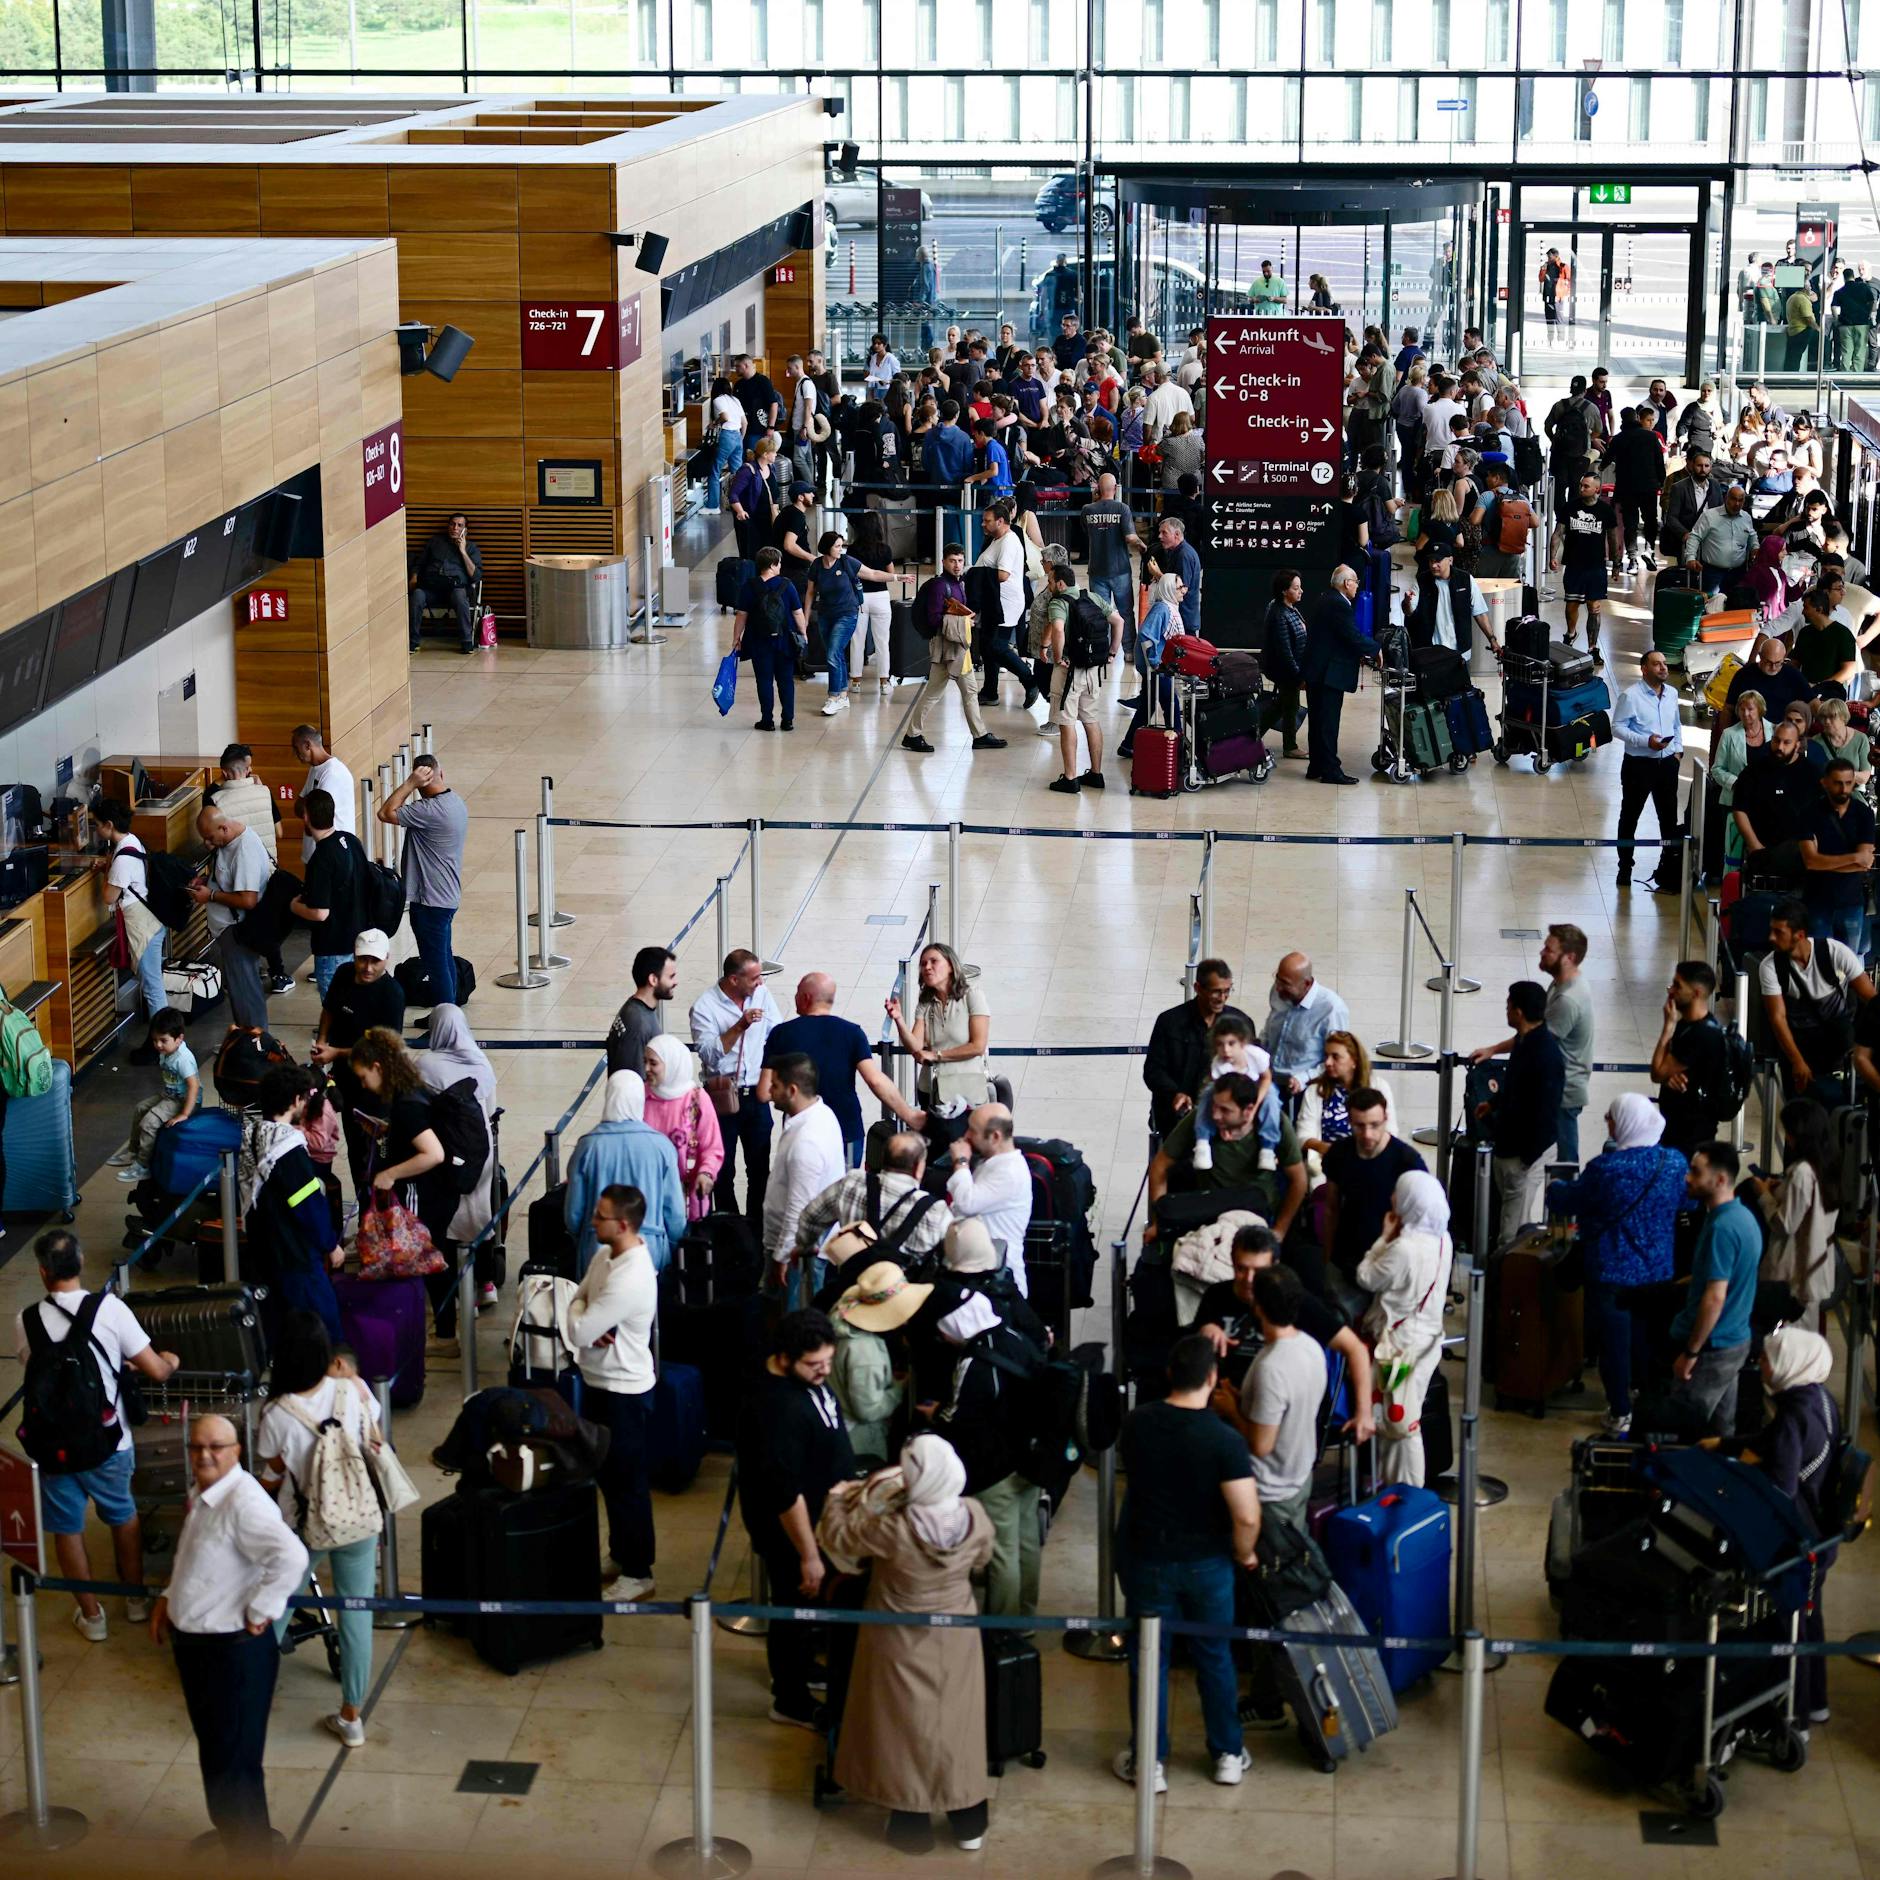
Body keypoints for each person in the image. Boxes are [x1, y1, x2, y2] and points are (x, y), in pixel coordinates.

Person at [816, 1434, 995, 1854]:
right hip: (956, 1633)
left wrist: (838, 1499)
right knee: (958, 1724)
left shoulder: (893, 1529)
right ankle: (969, 1819)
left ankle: (910, 1821)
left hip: (897, 1636)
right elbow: (984, 1559)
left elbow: (839, 1538)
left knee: (904, 1728)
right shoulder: (975, 1514)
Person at [153, 1409, 307, 1856]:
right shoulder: (207, 1492)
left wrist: (263, 1609)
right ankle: (236, 1839)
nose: (204, 1455)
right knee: (218, 1753)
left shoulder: (244, 1502)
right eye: (197, 1447)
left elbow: (292, 1558)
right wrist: (169, 1597)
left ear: (237, 1451)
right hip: (199, 1647)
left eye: (215, 1447)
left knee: (234, 1764)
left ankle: (250, 1855)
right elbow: (193, 1557)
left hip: (232, 1653)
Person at [1112, 1332, 1260, 1793]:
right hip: (1208, 1563)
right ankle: (1228, 1755)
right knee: (1214, 1656)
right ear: (1213, 1378)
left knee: (1148, 1658)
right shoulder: (1224, 1440)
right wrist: (1245, 1552)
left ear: (1170, 1374)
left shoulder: (1137, 1423)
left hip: (1147, 1558)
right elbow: (1246, 1512)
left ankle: (1151, 1762)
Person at [15, 1229, 179, 1640]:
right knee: (122, 1517)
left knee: (66, 1528)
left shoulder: (26, 1320)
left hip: (54, 1445)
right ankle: (135, 1600)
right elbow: (156, 1370)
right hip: (109, 1441)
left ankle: (92, 1617)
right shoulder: (110, 1310)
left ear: (41, 1271)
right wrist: (168, 1361)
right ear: (82, 1262)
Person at [255, 1309, 382, 1745]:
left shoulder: (276, 1413)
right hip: (360, 1519)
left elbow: (272, 1475)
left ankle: (246, 1698)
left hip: (304, 1526)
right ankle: (351, 1716)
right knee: (356, 1613)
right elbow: (374, 1434)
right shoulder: (353, 1389)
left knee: (276, 1605)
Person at [736, 1308, 855, 1731]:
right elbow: (784, 1493)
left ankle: (802, 1665)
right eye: (814, 1365)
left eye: (829, 1361)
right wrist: (808, 1554)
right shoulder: (775, 1408)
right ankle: (789, 1698)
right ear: (785, 1359)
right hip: (789, 1529)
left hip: (819, 1514)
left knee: (807, 1606)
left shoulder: (803, 1378)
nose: (824, 1371)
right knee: (793, 1606)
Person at [1546, 1095, 1686, 1434]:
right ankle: (1643, 1396)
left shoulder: (1606, 1169)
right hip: (1657, 1272)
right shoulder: (1674, 1163)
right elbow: (1689, 1202)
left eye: (1611, 1116)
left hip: (1611, 1272)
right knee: (1645, 1339)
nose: (1607, 1121)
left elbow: (1569, 1199)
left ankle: (1620, 1411)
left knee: (1614, 1344)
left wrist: (1555, 1187)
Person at [1732, 1324, 1843, 1726]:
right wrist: (1729, 1446)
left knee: (1790, 1625)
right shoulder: (1820, 1399)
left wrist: (1743, 1473)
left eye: (1767, 1357)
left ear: (1788, 1364)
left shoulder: (1794, 1417)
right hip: (1821, 1533)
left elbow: (1779, 1488)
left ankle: (1792, 1717)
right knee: (1810, 1620)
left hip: (1800, 1544)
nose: (1760, 1364)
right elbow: (1771, 1442)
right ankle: (1815, 1702)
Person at [1193, 1223, 1375, 1437]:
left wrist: (1364, 1413)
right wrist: (1204, 1332)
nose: (1249, 1280)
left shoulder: (1294, 1299)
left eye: (1259, 1272)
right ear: (1232, 1263)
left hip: (1278, 1413)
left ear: (1275, 1267)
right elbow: (1189, 1356)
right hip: (1221, 1404)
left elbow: (1355, 1349)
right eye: (1241, 1269)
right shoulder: (1216, 1296)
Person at [568, 1183, 659, 1602]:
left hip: (624, 1391)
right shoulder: (605, 1255)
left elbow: (578, 1329)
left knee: (628, 1484)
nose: (592, 1221)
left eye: (600, 1216)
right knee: (607, 1477)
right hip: (598, 1383)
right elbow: (576, 1299)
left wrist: (583, 1314)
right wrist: (582, 1310)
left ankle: (639, 1571)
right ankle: (621, 1555)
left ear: (622, 1224)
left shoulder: (632, 1276)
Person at [348, 1027, 459, 1345]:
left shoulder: (406, 1104)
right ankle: (446, 1325)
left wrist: (390, 1174)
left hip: (424, 1193)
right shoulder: (411, 1090)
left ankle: (445, 1335)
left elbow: (432, 1153)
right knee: (436, 1254)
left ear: (378, 1068)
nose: (363, 1084)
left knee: (426, 1257)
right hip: (438, 1191)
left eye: (363, 1076)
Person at [764, 970, 922, 1167]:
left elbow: (764, 1092)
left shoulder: (781, 1034)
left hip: (801, 1133)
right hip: (846, 1131)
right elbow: (875, 1080)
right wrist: (908, 1114)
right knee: (843, 1193)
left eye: (797, 991)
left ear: (805, 997)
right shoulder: (852, 1033)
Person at [1355, 1172, 1453, 1486]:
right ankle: (1400, 1485)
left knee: (1399, 1420)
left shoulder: (1404, 1249)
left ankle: (1406, 1490)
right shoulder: (1443, 1239)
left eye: (1399, 1193)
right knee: (1402, 1413)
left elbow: (1366, 1277)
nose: (1393, 1198)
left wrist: (1383, 1238)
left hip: (1397, 1349)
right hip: (1426, 1340)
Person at [1470, 923, 1595, 1162]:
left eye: (1549, 949)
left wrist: (1494, 1050)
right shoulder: (1562, 984)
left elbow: (1537, 1036)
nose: (1542, 952)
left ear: (1568, 958)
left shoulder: (1568, 999)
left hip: (1563, 1093)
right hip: (1557, 1086)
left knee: (1564, 1165)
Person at [240, 1066, 345, 1344]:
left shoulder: (252, 1137)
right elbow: (308, 1205)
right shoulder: (288, 1149)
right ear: (297, 1100)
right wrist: (330, 1244)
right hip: (295, 1257)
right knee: (323, 1331)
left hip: (263, 1250)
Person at [1667, 1141, 1764, 1434]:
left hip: (1714, 1346)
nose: (1687, 1177)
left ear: (1720, 1180)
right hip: (1735, 1339)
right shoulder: (1743, 1217)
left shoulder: (1722, 1229)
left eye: (1696, 1172)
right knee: (1723, 1428)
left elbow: (1715, 1298)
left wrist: (1691, 1352)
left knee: (1686, 1426)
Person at [1146, 1074, 1310, 1246]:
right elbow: (1160, 1165)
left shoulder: (1275, 1123)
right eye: (1214, 1107)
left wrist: (1280, 1230)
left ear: (1248, 1110)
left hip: (1257, 1220)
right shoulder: (1202, 1119)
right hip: (1209, 1220)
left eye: (1225, 1110)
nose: (1216, 1115)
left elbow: (1299, 1179)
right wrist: (1161, 1221)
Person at [312, 928, 407, 1203]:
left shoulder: (391, 995)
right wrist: (321, 1040)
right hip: (346, 1080)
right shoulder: (344, 974)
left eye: (374, 961)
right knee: (355, 1149)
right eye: (362, 960)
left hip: (375, 1089)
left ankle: (383, 1213)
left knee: (375, 1154)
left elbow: (382, 1048)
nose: (367, 968)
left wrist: (334, 1053)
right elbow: (329, 1008)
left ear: (386, 959)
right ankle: (366, 1209)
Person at [564, 1069, 686, 1276]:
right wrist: (672, 1246)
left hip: (597, 1248)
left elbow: (574, 1214)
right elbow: (674, 1213)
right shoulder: (661, 1146)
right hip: (650, 1250)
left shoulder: (588, 1146)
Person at [691, 948, 783, 1221]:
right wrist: (740, 1025)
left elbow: (775, 1033)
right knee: (722, 1170)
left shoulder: (762, 995)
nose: (760, 983)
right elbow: (708, 1053)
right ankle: (729, 1229)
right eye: (754, 978)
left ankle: (756, 1227)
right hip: (721, 1098)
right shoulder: (704, 1006)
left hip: (756, 1095)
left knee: (759, 1169)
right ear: (733, 980)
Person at [419, 1003, 501, 1303]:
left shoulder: (425, 1066)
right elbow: (491, 1111)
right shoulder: (481, 1062)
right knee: (481, 1214)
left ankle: (457, 1292)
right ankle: (487, 1284)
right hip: (481, 1154)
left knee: (448, 1221)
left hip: (446, 1155)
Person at [1759, 897, 1875, 1103]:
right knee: (1800, 1111)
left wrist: (1867, 1046)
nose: (1771, 938)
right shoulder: (1770, 966)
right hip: (1798, 1042)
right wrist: (1797, 1061)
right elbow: (1778, 1018)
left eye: (1779, 932)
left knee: (1840, 1102)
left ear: (1800, 935)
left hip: (1838, 1039)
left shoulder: (1835, 952)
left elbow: (1872, 1000)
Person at [1476, 979, 1567, 1232]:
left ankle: (1506, 1268)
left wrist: (1526, 1161)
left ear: (1518, 1012)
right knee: (1508, 1215)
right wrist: (1493, 1104)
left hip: (1525, 1156)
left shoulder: (1545, 1056)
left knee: (1511, 1232)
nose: (1505, 1009)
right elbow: (1516, 1085)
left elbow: (1546, 1114)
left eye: (1508, 1005)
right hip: (1510, 1148)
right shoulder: (1525, 1041)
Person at [380, 752, 467, 1009]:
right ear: (442, 773)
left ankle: (444, 1021)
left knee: (435, 964)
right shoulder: (455, 802)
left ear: (421, 781)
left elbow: (385, 813)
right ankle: (446, 1013)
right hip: (446, 896)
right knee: (443, 957)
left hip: (430, 900)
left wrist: (409, 784)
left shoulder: (429, 810)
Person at [1742, 1098, 1842, 1320]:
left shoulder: (1802, 1172)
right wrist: (1782, 1189)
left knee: (1786, 1335)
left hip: (1795, 1270)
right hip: (1817, 1263)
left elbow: (1784, 1224)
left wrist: (1763, 1194)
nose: (1786, 1137)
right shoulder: (1828, 1163)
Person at [902, 541, 1005, 755]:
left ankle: (980, 735)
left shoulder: (959, 583)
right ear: (943, 562)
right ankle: (912, 735)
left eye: (960, 560)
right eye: (952, 561)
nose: (957, 565)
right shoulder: (940, 585)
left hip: (957, 646)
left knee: (969, 691)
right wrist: (964, 622)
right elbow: (933, 619)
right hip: (946, 647)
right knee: (935, 693)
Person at [1320, 1090, 1427, 1297]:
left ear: (1386, 1118)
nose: (1367, 1134)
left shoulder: (1407, 1162)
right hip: (1346, 1261)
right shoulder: (1339, 1154)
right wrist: (1328, 1259)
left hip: (1390, 1266)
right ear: (1349, 1121)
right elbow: (1331, 1208)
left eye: (1374, 1125)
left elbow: (1420, 1221)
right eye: (1359, 1126)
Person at [763, 1053, 847, 1303]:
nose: (768, 1090)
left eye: (774, 1085)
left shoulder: (807, 1141)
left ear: (792, 1090)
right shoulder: (822, 1114)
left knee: (795, 1328)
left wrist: (783, 1257)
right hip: (802, 1248)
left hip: (798, 1254)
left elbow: (799, 1211)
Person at [828, 1261, 930, 1463]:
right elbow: (868, 1410)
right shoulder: (865, 1352)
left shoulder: (841, 1320)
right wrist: (899, 1388)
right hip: (860, 1441)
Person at [189, 800, 274, 1032]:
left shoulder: (243, 850)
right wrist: (207, 882)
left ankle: (255, 1041)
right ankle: (245, 1039)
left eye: (210, 838)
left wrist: (211, 895)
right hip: (230, 931)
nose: (207, 845)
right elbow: (229, 880)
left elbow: (248, 900)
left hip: (238, 931)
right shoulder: (228, 843)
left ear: (224, 829)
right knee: (238, 989)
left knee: (246, 991)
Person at [1144, 958, 1248, 1138]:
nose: (1222, 998)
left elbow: (1250, 1070)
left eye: (1226, 991)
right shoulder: (1170, 1022)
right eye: (1216, 992)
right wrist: (1175, 1094)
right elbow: (1153, 1071)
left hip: (1223, 1121)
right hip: (1176, 1119)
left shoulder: (1241, 1024)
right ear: (1198, 988)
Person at [91, 797, 170, 1030]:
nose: (96, 829)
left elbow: (108, 896)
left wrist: (108, 870)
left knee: (153, 989)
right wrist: (109, 867)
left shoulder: (121, 858)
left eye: (97, 824)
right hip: (151, 922)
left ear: (108, 825)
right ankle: (161, 1038)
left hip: (144, 929)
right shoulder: (132, 842)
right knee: (153, 986)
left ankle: (164, 1040)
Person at [942, 1102, 1033, 1295]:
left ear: (995, 1137)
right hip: (977, 1269)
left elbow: (966, 1203)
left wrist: (961, 1162)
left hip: (999, 1278)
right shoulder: (994, 1163)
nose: (966, 1136)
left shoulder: (1009, 1173)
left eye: (973, 1131)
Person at [885, 941, 989, 1110]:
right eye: (923, 963)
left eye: (934, 961)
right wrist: (899, 1019)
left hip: (966, 1089)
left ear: (950, 966)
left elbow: (978, 1046)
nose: (927, 967)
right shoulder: (925, 1002)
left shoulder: (973, 996)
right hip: (931, 1089)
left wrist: (936, 1055)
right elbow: (916, 1047)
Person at [1614, 649, 1686, 892]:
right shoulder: (1630, 696)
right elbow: (1618, 728)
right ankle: (1625, 866)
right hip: (1639, 765)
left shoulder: (1672, 694)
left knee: (1668, 819)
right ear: (1644, 669)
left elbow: (1676, 724)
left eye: (1664, 664)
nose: (1663, 668)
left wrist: (1677, 751)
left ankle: (1668, 867)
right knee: (1630, 816)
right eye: (1657, 664)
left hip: (1666, 765)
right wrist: (1646, 742)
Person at [1651, 961, 1740, 1154]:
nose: (1671, 991)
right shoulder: (1688, 1024)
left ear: (1696, 993)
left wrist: (1667, 1028)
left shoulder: (1702, 1034)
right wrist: (1669, 1074)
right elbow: (1665, 1070)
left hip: (1691, 1135)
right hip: (1676, 1127)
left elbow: (1657, 1072)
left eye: (1677, 985)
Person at [288, 786, 369, 1000]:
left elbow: (320, 913)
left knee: (335, 1002)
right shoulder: (350, 841)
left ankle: (335, 1033)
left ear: (306, 817)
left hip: (333, 944)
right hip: (357, 936)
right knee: (354, 997)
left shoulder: (321, 858)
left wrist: (294, 906)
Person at [1301, 564, 1377, 784]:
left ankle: (1316, 765)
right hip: (1328, 675)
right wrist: (1375, 648)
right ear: (1347, 583)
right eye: (1356, 582)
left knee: (1317, 722)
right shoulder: (1338, 604)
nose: (1357, 587)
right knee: (1327, 724)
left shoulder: (1326, 598)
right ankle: (1330, 770)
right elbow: (1352, 636)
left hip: (1317, 671)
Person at [808, 528, 892, 718]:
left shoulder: (846, 561)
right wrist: (805, 618)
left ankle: (834, 697)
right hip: (825, 614)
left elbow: (872, 574)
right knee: (836, 654)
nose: (840, 549)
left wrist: (897, 577)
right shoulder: (817, 565)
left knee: (832, 654)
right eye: (837, 546)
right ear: (827, 548)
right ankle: (844, 693)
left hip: (847, 613)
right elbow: (810, 593)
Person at [110, 1005, 198, 1185]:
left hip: (183, 1101)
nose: (158, 1045)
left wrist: (184, 1114)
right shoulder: (167, 1051)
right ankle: (133, 1151)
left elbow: (194, 1087)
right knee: (140, 1108)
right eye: (155, 1040)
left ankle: (143, 1165)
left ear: (179, 1039)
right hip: (170, 1095)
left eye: (163, 1040)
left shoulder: (182, 1058)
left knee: (149, 1123)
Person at [643, 1032, 723, 1222]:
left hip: (687, 1197)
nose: (646, 1068)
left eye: (653, 1063)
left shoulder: (696, 1099)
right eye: (645, 1061)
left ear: (672, 1064)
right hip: (647, 1194)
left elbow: (712, 1147)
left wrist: (706, 1172)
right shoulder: (641, 1095)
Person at [1801, 756, 1877, 955]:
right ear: (1824, 782)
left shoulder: (1863, 814)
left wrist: (1823, 860)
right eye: (1837, 783)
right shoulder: (1810, 813)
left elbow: (1866, 862)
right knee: (1818, 965)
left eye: (1848, 783)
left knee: (1849, 967)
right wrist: (1854, 858)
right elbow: (1810, 861)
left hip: (1852, 901)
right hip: (1817, 901)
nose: (1844, 789)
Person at [1297, 1031, 1396, 1177]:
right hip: (1328, 1163)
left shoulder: (1379, 1087)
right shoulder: (1315, 1091)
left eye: (1335, 1057)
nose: (1328, 1062)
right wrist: (1327, 1149)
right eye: (1326, 1056)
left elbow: (1390, 1132)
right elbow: (1303, 1135)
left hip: (1370, 1162)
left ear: (1354, 1061)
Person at [1731, 719, 1819, 881]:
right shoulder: (1754, 771)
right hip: (1764, 850)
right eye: (1776, 740)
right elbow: (1739, 809)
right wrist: (1754, 846)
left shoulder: (1812, 773)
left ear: (1798, 745)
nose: (1780, 747)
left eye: (1787, 742)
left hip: (1802, 854)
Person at [973, 500, 1039, 712]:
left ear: (1000, 521)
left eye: (987, 521)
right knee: (986, 645)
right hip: (993, 601)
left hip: (1006, 604)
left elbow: (1002, 574)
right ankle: (990, 691)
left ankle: (1029, 680)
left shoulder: (1009, 542)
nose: (983, 524)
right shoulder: (996, 539)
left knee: (997, 646)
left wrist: (974, 574)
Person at [731, 545, 805, 733]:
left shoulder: (750, 586)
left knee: (764, 681)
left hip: (758, 641)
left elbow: (742, 615)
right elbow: (797, 613)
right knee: (786, 681)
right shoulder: (787, 586)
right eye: (779, 563)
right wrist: (803, 634)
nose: (780, 566)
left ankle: (767, 720)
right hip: (784, 641)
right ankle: (787, 720)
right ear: (773, 564)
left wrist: (736, 638)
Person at [1263, 951, 1351, 1105]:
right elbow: (1270, 1027)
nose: (1278, 988)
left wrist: (1304, 1078)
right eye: (1277, 980)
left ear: (1307, 984)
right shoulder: (1279, 993)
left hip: (1305, 1089)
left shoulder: (1331, 1009)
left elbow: (1338, 1060)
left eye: (1285, 984)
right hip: (1269, 1078)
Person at [1552, 467, 1621, 665]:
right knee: (1572, 603)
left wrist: (1616, 564)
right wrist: (1552, 555)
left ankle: (1592, 647)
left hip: (1596, 567)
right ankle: (1571, 634)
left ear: (1597, 490)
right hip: (1574, 564)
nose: (1581, 488)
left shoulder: (1606, 511)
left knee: (1594, 607)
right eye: (1581, 485)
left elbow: (1612, 537)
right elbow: (1558, 533)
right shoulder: (1570, 507)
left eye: (1586, 486)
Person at [1600, 404, 1666, 571]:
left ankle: (1633, 559)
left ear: (1622, 420)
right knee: (1650, 520)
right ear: (1637, 418)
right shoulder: (1650, 437)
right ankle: (1649, 550)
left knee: (1631, 523)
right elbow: (1659, 461)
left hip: (1626, 488)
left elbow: (1606, 460)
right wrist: (1662, 482)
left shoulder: (1619, 439)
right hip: (1649, 486)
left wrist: (1603, 465)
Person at [407, 512, 483, 652]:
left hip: (455, 590)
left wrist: (463, 551)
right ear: (448, 526)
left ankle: (466, 641)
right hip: (432, 588)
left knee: (460, 596)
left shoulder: (471, 547)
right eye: (452, 524)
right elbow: (420, 563)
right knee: (417, 595)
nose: (455, 528)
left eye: (460, 526)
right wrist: (414, 576)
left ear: (465, 530)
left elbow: (476, 576)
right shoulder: (435, 542)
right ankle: (413, 641)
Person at [1713, 686, 1771, 864]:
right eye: (1742, 709)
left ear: (1760, 709)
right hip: (1734, 801)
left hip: (1766, 802)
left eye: (1750, 709)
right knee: (1734, 851)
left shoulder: (1775, 731)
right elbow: (1717, 769)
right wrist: (1738, 783)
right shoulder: (1729, 734)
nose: (1746, 714)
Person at [606, 945, 679, 1078]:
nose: (675, 982)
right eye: (671, 977)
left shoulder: (637, 1011)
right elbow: (633, 1081)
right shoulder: (637, 1023)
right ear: (653, 980)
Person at [1261, 568, 1309, 760]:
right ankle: (1289, 745)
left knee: (1285, 705)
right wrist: (1299, 676)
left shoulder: (1286, 607)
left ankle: (1254, 734)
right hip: (1285, 671)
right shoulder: (1280, 614)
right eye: (1296, 588)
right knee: (1288, 705)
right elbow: (1285, 651)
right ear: (1284, 591)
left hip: (1289, 669)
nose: (1301, 591)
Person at [1685, 483, 1759, 596]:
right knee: (1711, 607)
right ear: (1726, 498)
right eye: (1734, 499)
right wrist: (1690, 558)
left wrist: (1755, 547)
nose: (1737, 504)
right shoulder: (1709, 516)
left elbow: (1752, 535)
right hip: (1713, 573)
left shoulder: (1746, 517)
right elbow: (1695, 537)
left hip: (1738, 572)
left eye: (1741, 500)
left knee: (1735, 608)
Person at [727, 434, 778, 564]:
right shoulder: (748, 470)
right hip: (752, 520)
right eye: (774, 452)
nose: (776, 455)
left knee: (768, 551)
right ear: (765, 454)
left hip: (768, 518)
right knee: (752, 552)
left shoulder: (771, 468)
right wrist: (740, 511)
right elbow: (733, 494)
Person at [701, 371, 745, 514]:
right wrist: (740, 439)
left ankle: (713, 506)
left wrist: (714, 423)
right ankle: (740, 502)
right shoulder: (735, 400)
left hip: (727, 436)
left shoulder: (718, 400)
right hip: (737, 435)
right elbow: (745, 422)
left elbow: (725, 417)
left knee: (714, 470)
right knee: (737, 472)